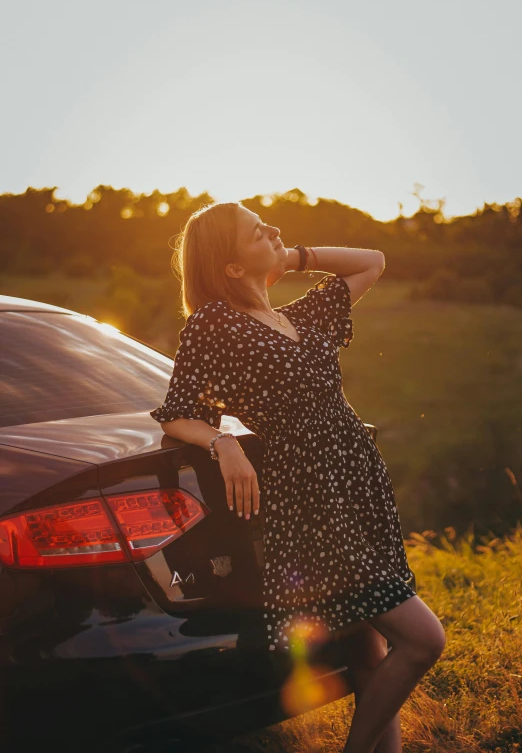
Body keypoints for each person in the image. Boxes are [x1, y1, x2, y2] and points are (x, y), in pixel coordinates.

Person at [150, 201, 445, 753]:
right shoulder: (216, 323)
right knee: (423, 641)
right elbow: (177, 411)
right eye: (258, 232)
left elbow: (371, 261)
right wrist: (224, 442)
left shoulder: (302, 317)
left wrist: (293, 255)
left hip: (356, 486)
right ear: (231, 267)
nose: (274, 231)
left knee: (367, 651)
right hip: (310, 501)